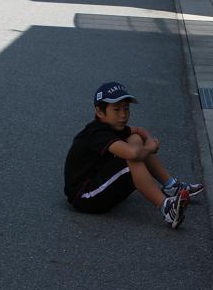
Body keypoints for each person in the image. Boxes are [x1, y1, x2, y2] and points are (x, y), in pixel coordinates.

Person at [63, 82, 204, 229]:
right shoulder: (97, 133)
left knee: (135, 140)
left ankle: (171, 186)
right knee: (133, 157)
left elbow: (139, 131)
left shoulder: (113, 125)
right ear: (99, 112)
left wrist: (148, 140)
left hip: (97, 183)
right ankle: (167, 208)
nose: (123, 115)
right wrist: (149, 148)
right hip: (85, 197)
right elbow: (134, 154)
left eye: (126, 109)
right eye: (116, 110)